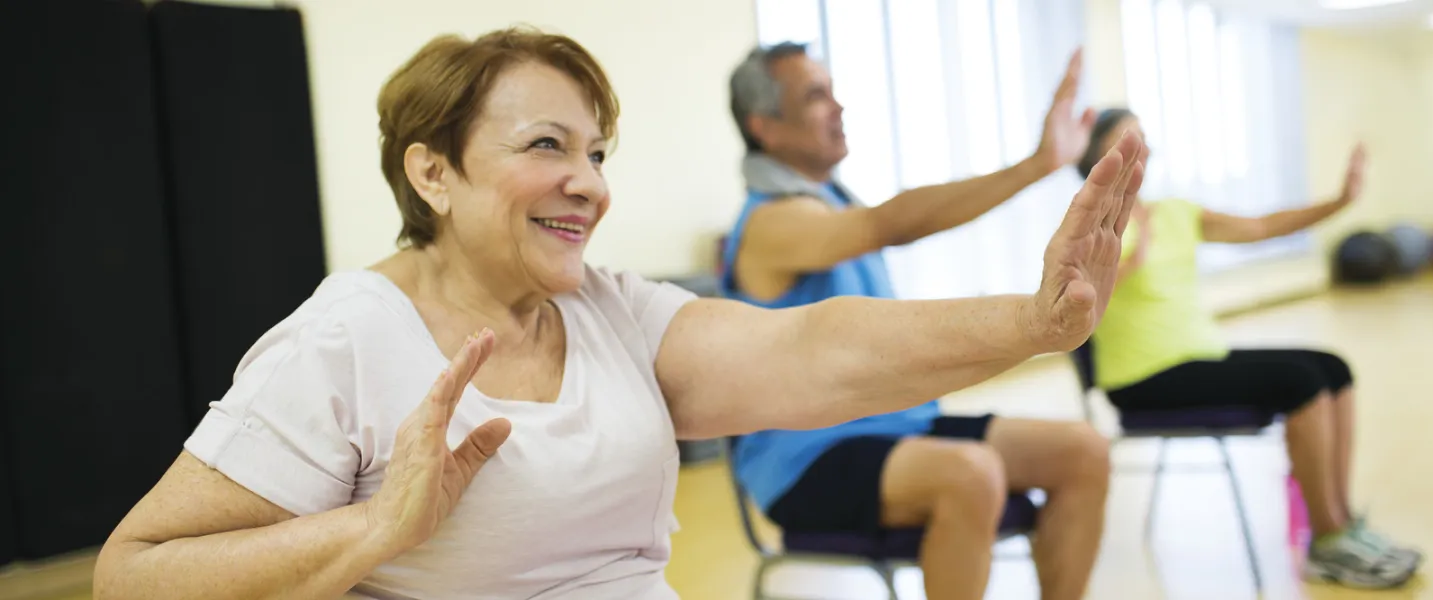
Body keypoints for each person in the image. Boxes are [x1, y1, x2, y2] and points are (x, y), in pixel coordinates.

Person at [90, 28, 1145, 600]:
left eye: (597, 152)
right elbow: (131, 578)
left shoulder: (610, 308)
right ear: (433, 173)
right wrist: (375, 531)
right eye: (547, 145)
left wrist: (1034, 322)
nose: (589, 182)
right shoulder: (346, 338)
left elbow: (810, 351)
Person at [721, 43, 1121, 600]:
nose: (839, 107)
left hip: (900, 431)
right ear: (765, 126)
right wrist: (1035, 166)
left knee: (1084, 451)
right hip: (807, 462)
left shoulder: (831, 201)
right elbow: (887, 223)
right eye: (816, 96)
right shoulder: (771, 223)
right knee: (970, 472)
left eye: (834, 90)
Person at [1080, 108, 1423, 589]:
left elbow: (1261, 227)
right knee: (1300, 383)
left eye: (1141, 135)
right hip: (1142, 378)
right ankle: (1325, 539)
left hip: (1200, 357)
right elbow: (1082, 301)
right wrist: (1134, 253)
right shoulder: (1091, 226)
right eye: (1123, 137)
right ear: (1097, 155)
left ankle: (1341, 524)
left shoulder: (1173, 212)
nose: (1138, 144)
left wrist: (1339, 202)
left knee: (1332, 368)